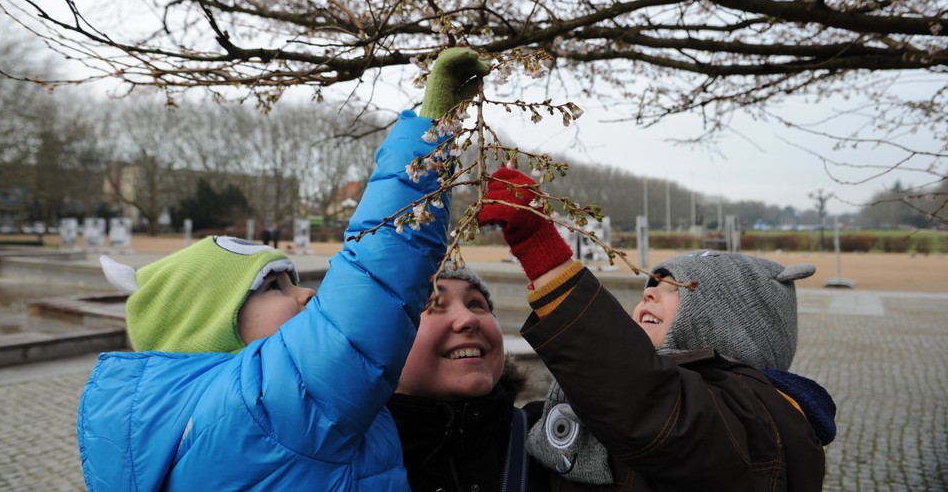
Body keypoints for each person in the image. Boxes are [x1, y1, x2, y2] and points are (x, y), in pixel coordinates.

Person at [75, 47, 490, 491]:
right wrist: (429, 135)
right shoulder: (265, 403)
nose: (305, 294)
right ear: (210, 322)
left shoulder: (185, 424)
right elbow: (374, 283)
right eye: (273, 287)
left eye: (293, 280)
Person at [478, 167, 836, 491]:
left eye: (675, 289)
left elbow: (644, 400)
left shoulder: (755, 417)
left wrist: (540, 248)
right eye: (653, 283)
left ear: (732, 322)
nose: (648, 291)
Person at [387, 264, 551, 491]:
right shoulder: (348, 456)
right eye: (432, 303)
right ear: (380, 342)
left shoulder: (546, 438)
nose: (469, 318)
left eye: (475, 303)